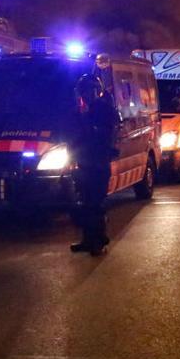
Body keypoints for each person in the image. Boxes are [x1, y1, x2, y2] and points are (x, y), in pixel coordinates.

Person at [70, 74, 119, 257]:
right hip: (85, 163)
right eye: (83, 92)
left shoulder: (104, 110)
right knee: (84, 203)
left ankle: (98, 241)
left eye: (88, 91)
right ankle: (88, 239)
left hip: (98, 164)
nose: (85, 95)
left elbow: (105, 136)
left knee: (95, 204)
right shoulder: (85, 111)